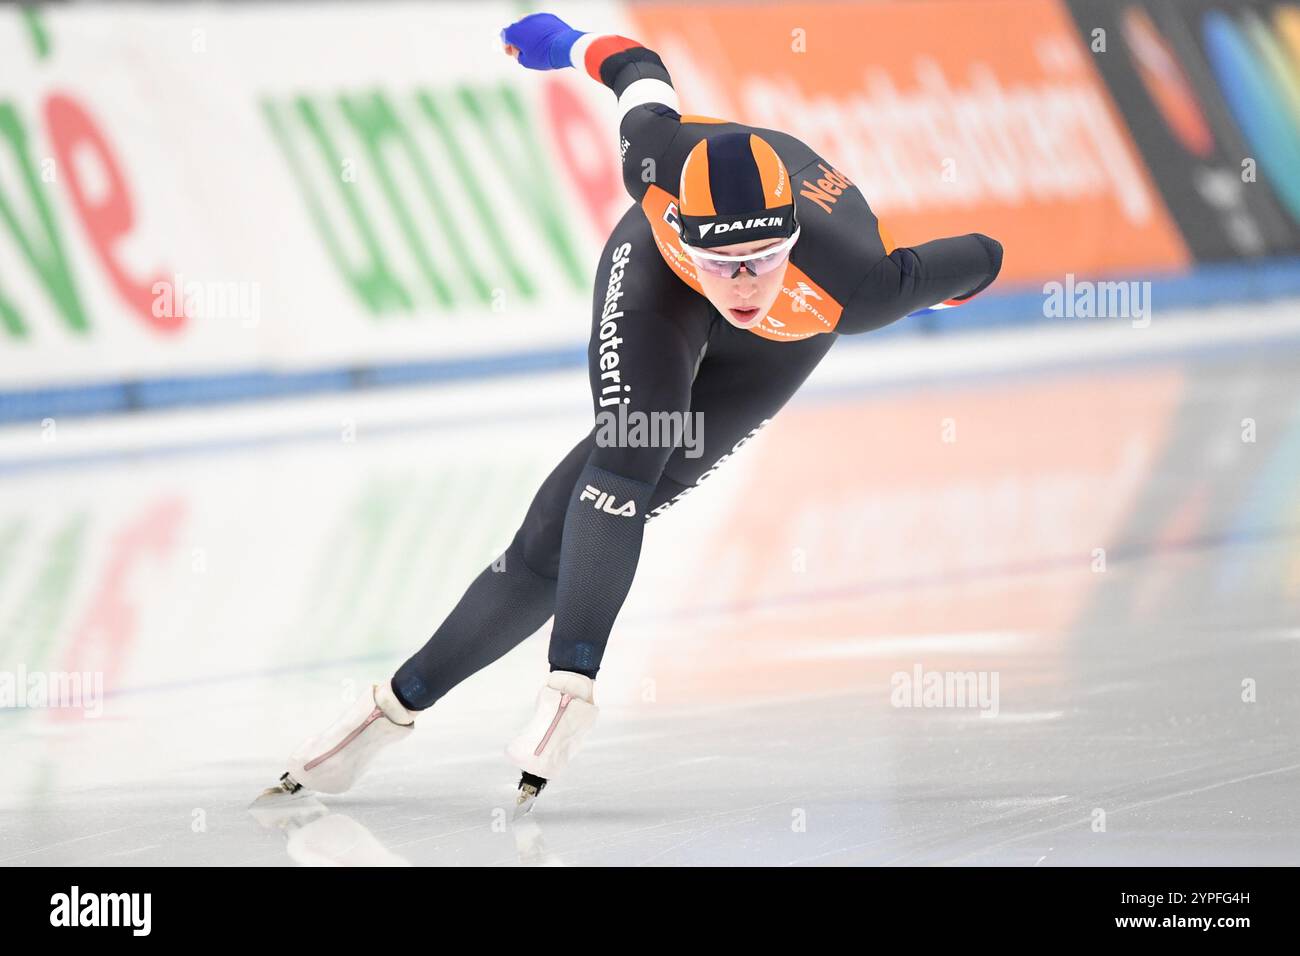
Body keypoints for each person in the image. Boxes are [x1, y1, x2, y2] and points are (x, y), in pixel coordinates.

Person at [257, 13, 1003, 814]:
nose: (746, 286)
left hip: (785, 341)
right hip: (658, 286)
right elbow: (633, 64)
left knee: (599, 511)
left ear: (793, 239)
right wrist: (561, 41)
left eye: (763, 261)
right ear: (686, 226)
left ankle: (448, 697)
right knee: (615, 467)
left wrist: (927, 290)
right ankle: (483, 698)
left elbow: (984, 254)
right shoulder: (653, 158)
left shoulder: (859, 286)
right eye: (727, 264)